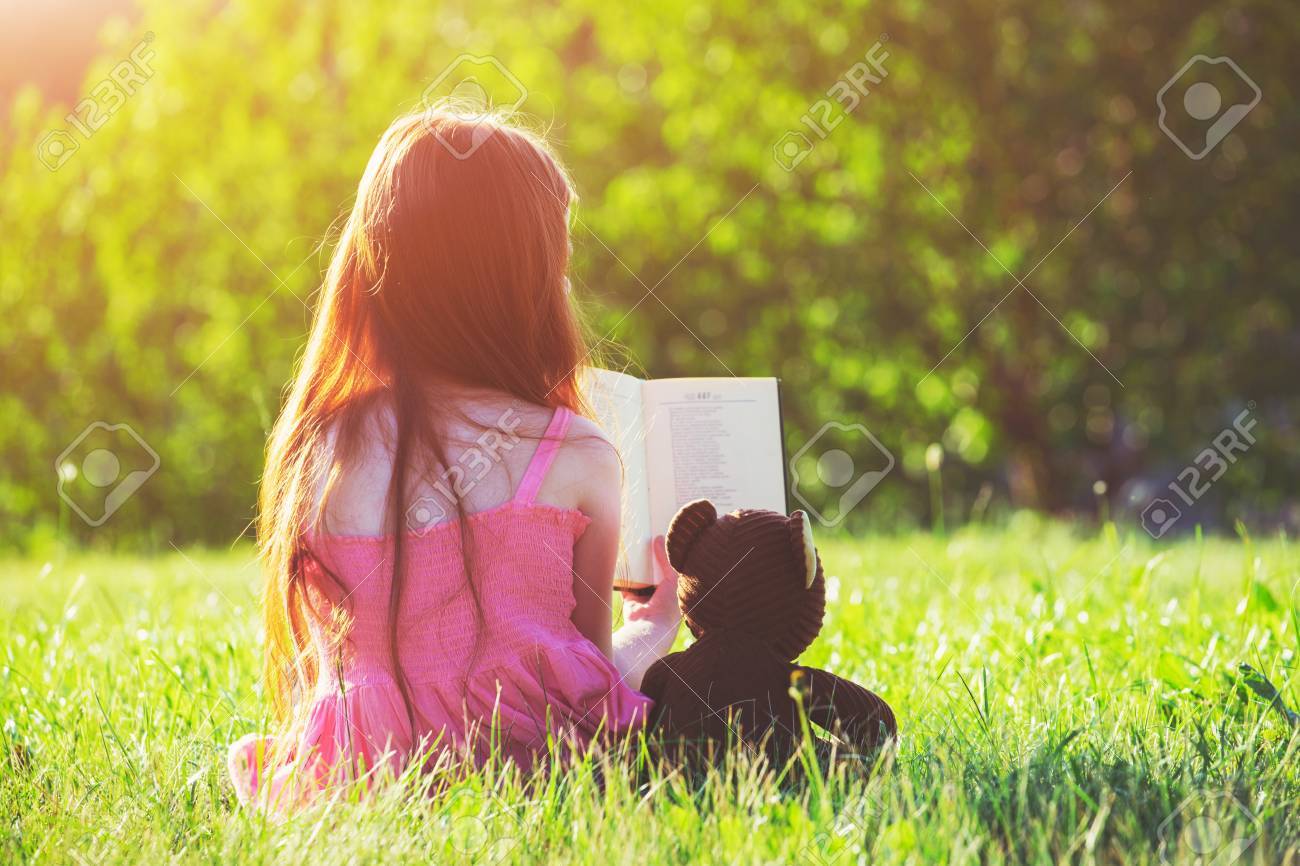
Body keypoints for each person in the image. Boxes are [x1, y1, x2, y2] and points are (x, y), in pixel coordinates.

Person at [228, 106, 681, 810]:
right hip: (540, 782)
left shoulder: (317, 451)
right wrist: (651, 631)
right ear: (519, 285)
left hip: (354, 790)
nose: (564, 288)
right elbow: (588, 688)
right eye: (556, 264)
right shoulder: (574, 453)